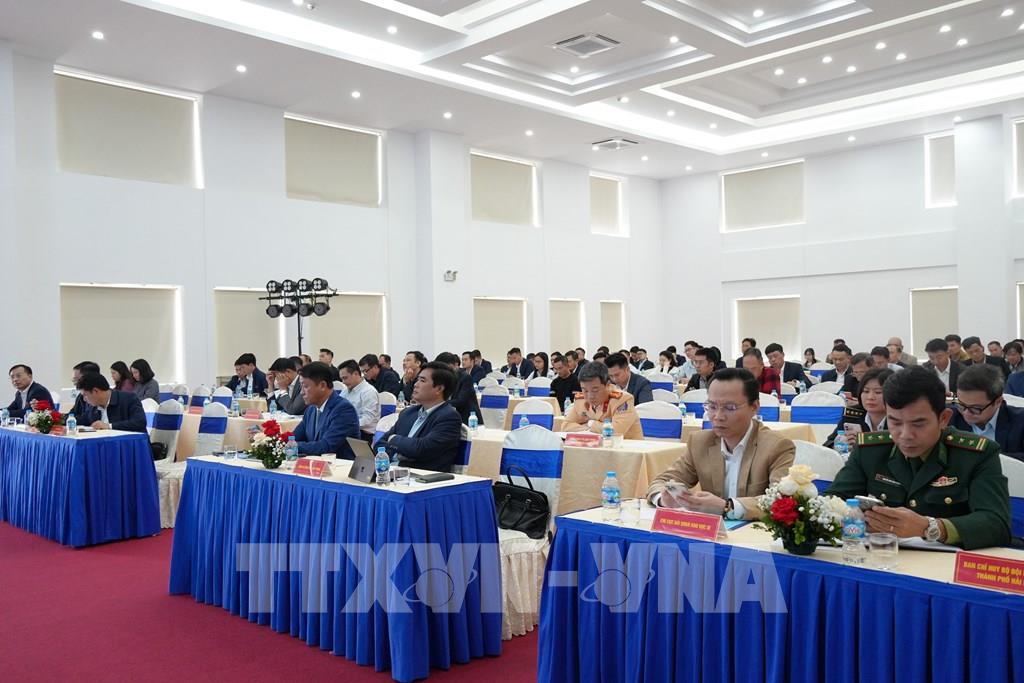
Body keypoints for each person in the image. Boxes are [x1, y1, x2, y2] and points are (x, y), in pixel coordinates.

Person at [824, 366, 1011, 550]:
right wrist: (855, 517)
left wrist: (930, 527)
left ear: (943, 419)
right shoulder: (870, 450)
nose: (906, 435)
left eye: (918, 424)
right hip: (881, 557)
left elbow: (996, 523)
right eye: (895, 422)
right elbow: (831, 501)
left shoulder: (975, 454)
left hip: (945, 564)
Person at [647, 368, 795, 521]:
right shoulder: (700, 442)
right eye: (712, 407)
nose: (718, 416)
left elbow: (780, 501)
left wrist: (727, 507)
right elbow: (661, 482)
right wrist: (663, 498)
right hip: (711, 532)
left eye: (730, 408)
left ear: (754, 407)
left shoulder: (777, 446)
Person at [379, 362, 463, 472]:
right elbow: (380, 444)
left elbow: (422, 449)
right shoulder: (408, 413)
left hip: (420, 477)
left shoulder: (449, 417)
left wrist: (393, 439)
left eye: (422, 381)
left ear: (439, 389)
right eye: (417, 379)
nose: (415, 384)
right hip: (390, 472)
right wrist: (402, 452)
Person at [950, 364, 1024, 460]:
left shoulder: (1020, 423)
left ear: (998, 402)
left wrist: (986, 458)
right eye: (961, 404)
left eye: (975, 408)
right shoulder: (949, 417)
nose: (966, 413)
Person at [291, 362, 360, 458]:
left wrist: (292, 446)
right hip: (315, 464)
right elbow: (293, 437)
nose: (301, 392)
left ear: (322, 385)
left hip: (339, 465)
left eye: (305, 386)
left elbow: (326, 446)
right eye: (301, 387)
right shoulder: (311, 409)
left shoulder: (343, 410)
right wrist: (279, 443)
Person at [560, 361, 642, 439]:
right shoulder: (580, 400)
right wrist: (589, 427)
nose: (590, 396)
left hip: (626, 446)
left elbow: (616, 431)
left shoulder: (622, 400)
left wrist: (591, 423)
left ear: (607, 385)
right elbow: (566, 426)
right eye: (585, 390)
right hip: (594, 446)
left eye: (595, 390)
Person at [823, 367, 895, 449]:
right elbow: (827, 444)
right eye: (866, 391)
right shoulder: (852, 415)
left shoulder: (899, 419)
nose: (870, 397)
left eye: (878, 392)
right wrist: (839, 445)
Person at [75, 372, 147, 433]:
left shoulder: (129, 399)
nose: (84, 399)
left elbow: (140, 422)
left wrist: (109, 426)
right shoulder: (93, 407)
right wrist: (69, 420)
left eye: (85, 395)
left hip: (129, 443)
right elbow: (82, 420)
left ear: (95, 391)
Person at [336, 359, 380, 442]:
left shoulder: (369, 391)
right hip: (347, 430)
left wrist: (347, 425)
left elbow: (368, 419)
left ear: (356, 374)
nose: (343, 382)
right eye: (342, 379)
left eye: (345, 378)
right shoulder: (345, 391)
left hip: (364, 434)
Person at [435, 352, 480, 425]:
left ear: (453, 365)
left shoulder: (465, 377)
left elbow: (461, 401)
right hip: (449, 414)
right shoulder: (443, 379)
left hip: (468, 418)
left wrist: (439, 403)